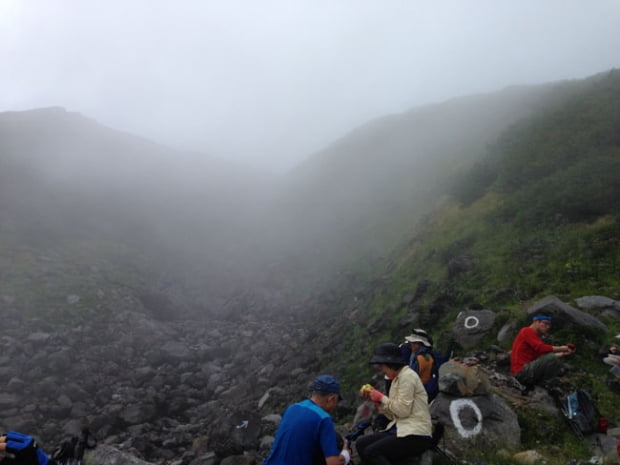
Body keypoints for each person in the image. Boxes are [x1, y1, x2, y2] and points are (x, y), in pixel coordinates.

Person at [356, 343, 433, 465]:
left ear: (390, 363)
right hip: (400, 429)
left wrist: (381, 397)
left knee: (372, 452)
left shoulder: (408, 377)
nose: (381, 369)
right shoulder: (397, 380)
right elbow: (393, 415)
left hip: (416, 433)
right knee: (361, 443)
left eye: (382, 365)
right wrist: (378, 402)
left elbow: (402, 411)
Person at [263, 374, 352, 465]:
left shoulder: (292, 408)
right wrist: (345, 455)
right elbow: (333, 463)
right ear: (331, 399)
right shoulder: (323, 418)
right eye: (336, 401)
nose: (335, 406)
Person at [510, 315, 575, 389]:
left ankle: (542, 385)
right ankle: (545, 384)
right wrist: (562, 348)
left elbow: (541, 356)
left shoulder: (535, 338)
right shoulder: (526, 331)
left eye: (549, 325)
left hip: (526, 371)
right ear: (536, 322)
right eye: (545, 323)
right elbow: (541, 348)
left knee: (554, 361)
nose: (548, 327)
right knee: (552, 359)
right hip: (521, 372)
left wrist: (562, 353)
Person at [403, 329, 440, 401]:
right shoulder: (427, 355)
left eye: (413, 342)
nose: (411, 344)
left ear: (419, 344)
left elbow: (411, 378)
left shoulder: (421, 358)